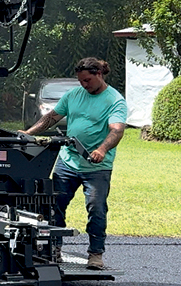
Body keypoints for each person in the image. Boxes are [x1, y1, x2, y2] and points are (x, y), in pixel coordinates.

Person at [22, 57, 127, 269]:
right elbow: (51, 117)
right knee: (55, 207)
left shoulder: (114, 100)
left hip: (97, 167)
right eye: (80, 81)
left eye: (87, 80)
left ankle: (95, 254)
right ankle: (55, 249)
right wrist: (28, 133)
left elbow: (116, 130)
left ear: (99, 74)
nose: (83, 85)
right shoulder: (74, 95)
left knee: (96, 208)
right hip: (67, 163)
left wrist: (102, 149)